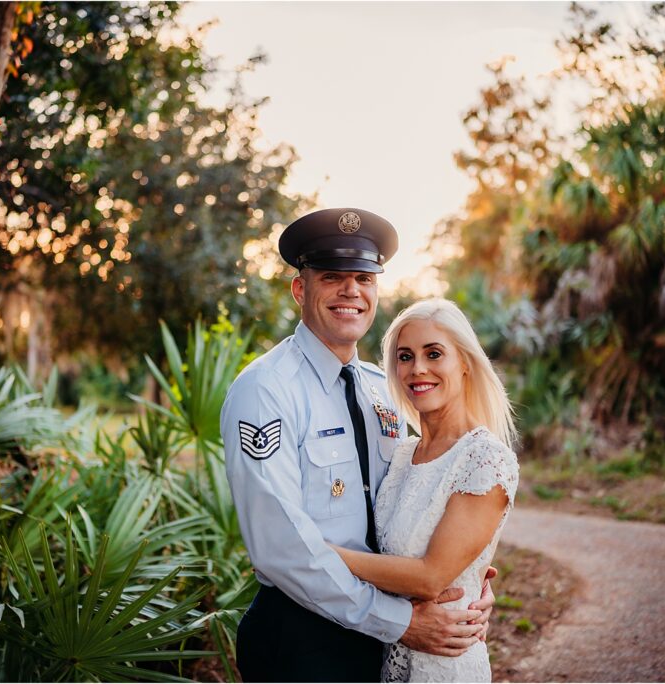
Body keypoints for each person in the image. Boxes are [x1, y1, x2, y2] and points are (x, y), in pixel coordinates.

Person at [221, 208, 495, 683]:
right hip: (305, 635)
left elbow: (431, 497)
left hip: (383, 634)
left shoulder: (386, 390)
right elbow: (278, 547)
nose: (351, 291)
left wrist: (470, 582)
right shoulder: (266, 390)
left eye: (364, 278)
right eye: (332, 277)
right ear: (300, 289)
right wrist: (401, 623)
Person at [330, 298, 519, 682]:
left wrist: (316, 554)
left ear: (465, 362)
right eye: (405, 356)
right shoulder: (400, 454)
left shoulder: (486, 459)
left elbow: (431, 576)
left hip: (445, 663)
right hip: (391, 653)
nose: (418, 369)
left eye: (434, 354)